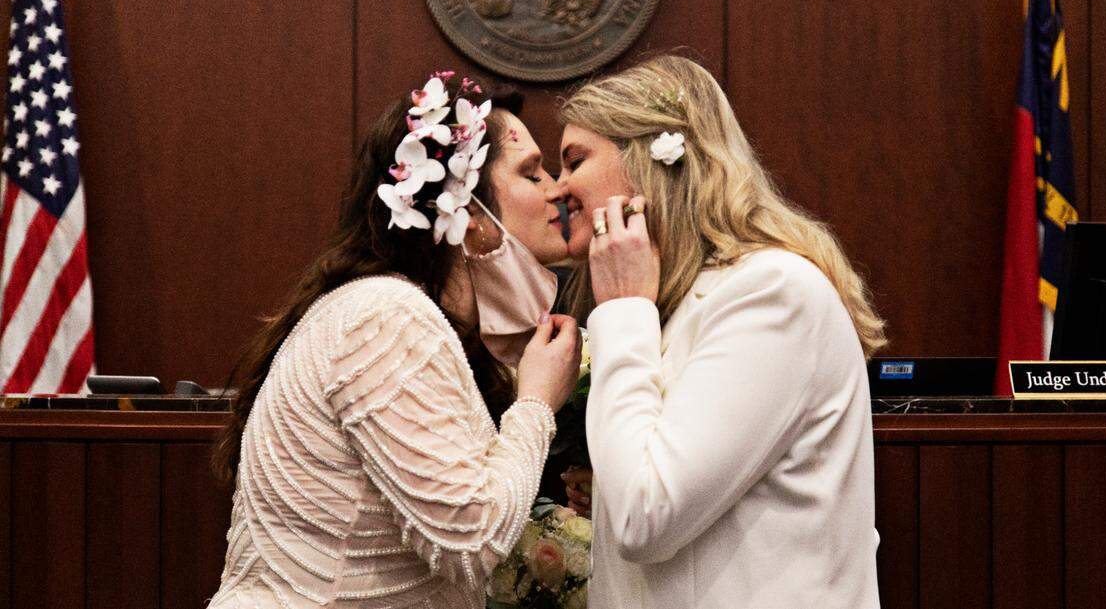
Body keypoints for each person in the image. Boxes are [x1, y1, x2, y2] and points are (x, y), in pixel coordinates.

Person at [207, 73, 581, 609]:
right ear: (470, 214)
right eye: (532, 172)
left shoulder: (397, 311)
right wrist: (538, 403)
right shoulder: (387, 316)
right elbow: (471, 538)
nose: (557, 191)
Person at [557, 55, 887, 608]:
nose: (558, 187)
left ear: (647, 159)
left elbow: (646, 517)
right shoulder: (681, 303)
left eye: (575, 160)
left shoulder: (771, 293)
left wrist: (622, 309)